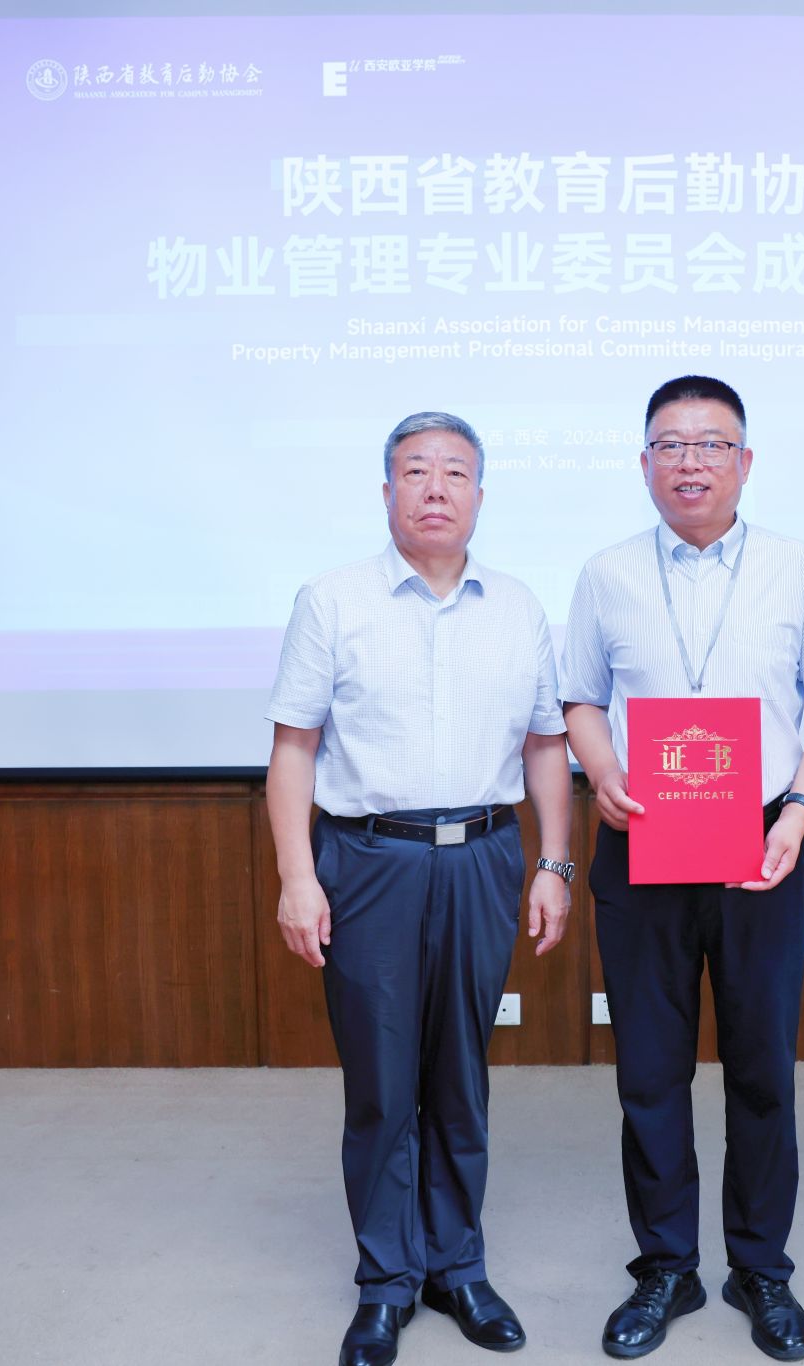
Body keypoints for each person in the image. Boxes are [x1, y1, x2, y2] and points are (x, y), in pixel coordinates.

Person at [560, 377, 804, 1362]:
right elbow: (579, 700)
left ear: (745, 461)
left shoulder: (795, 567)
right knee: (649, 1070)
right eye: (670, 444)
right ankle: (665, 1267)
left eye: (711, 443)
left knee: (760, 1067)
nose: (689, 461)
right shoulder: (606, 573)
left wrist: (802, 811)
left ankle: (759, 1267)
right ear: (643, 462)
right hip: (641, 840)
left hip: (763, 844)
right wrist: (602, 772)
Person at [265, 411, 576, 1366]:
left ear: (480, 493)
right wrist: (297, 877)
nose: (434, 488)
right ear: (387, 490)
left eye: (454, 472)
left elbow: (546, 746)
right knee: (381, 1078)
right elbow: (294, 748)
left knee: (460, 1073)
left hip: (483, 856)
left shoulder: (518, 607)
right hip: (368, 861)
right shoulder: (332, 601)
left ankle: (458, 1267)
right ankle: (386, 1281)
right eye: (415, 471)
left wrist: (555, 862)